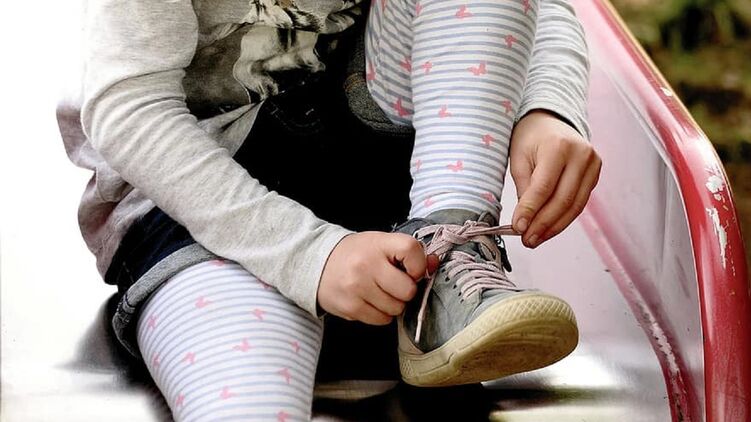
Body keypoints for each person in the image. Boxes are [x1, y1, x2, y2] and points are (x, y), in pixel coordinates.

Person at [58, 0, 600, 419]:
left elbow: (541, 9)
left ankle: (449, 258)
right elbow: (129, 110)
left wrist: (545, 105)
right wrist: (311, 255)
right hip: (197, 204)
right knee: (247, 402)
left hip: (378, 183)